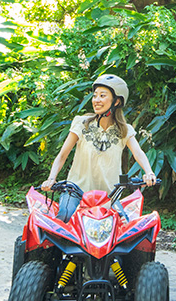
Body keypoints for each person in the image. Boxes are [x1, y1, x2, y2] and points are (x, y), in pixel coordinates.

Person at [41, 74, 156, 218]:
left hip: (108, 196)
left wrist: (149, 172)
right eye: (95, 96)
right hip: (76, 192)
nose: (96, 100)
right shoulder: (82, 123)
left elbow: (138, 153)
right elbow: (62, 155)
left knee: (124, 228)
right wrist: (52, 179)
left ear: (116, 101)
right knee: (64, 218)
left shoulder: (124, 130)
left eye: (102, 96)